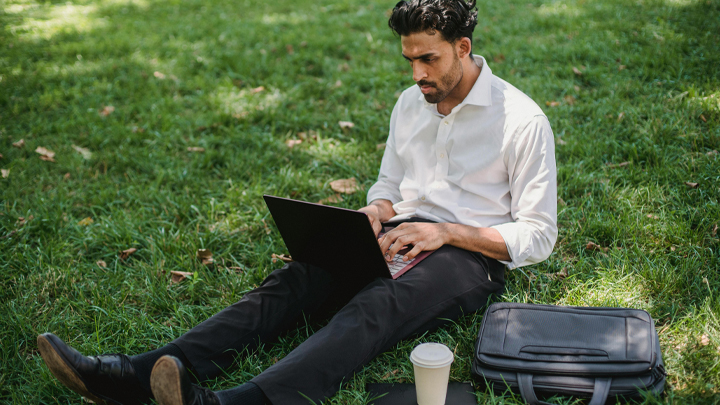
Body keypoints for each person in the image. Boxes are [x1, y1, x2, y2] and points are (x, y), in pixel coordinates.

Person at [37, 0, 557, 404]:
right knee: (296, 279)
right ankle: (131, 374)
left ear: (463, 48)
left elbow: (538, 234)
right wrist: (374, 213)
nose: (417, 73)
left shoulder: (521, 121)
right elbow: (388, 185)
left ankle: (236, 402)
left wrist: (446, 233)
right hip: (398, 231)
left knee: (377, 306)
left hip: (471, 258)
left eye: (428, 59)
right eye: (409, 60)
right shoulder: (410, 103)